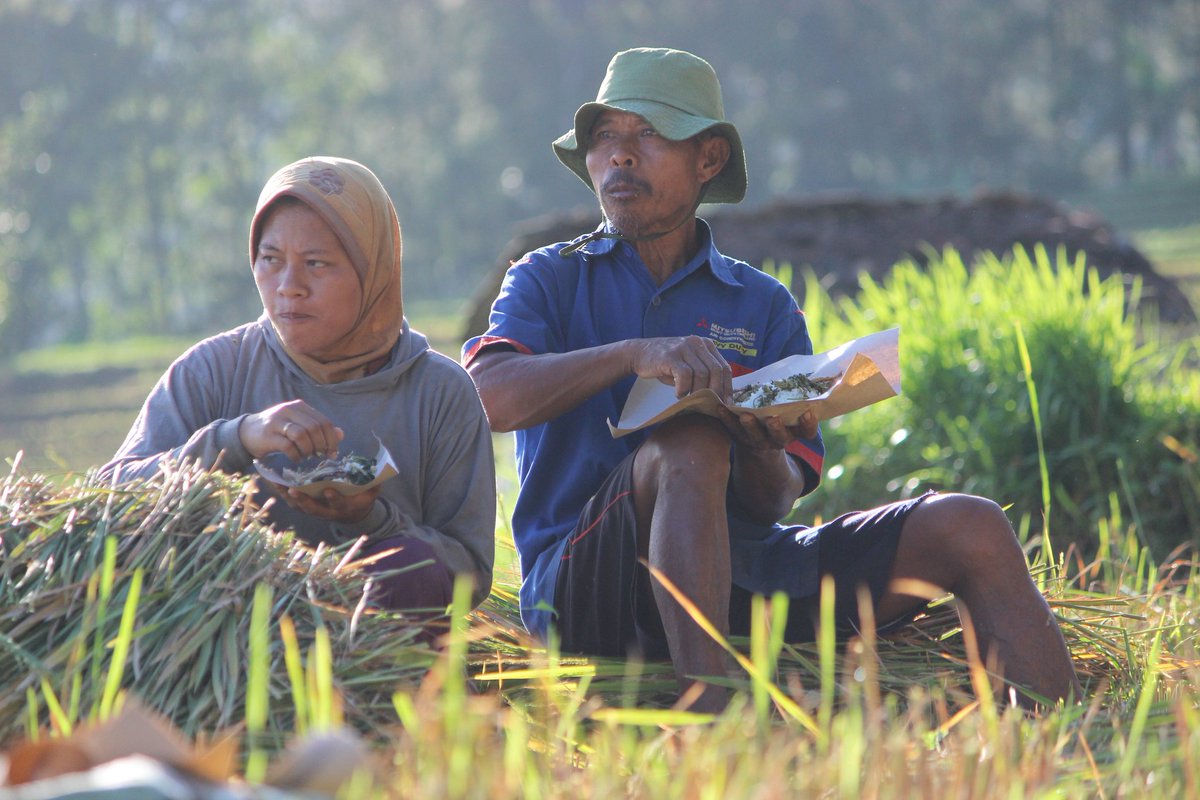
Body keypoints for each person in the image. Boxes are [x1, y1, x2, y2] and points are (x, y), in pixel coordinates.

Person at [463, 47, 1081, 711]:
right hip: (589, 597)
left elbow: (775, 501)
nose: (620, 155)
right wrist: (634, 354)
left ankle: (1070, 736)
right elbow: (489, 397)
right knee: (688, 444)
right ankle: (715, 709)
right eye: (605, 137)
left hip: (740, 578)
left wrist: (760, 447)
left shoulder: (762, 305)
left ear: (709, 159)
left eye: (648, 134)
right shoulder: (548, 276)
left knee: (971, 523)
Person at [101, 156, 495, 612]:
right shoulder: (213, 370)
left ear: (373, 272)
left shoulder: (440, 393)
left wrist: (371, 519)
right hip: (229, 627)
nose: (289, 286)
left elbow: (468, 567)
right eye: (271, 260)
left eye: (316, 263)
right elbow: (112, 496)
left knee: (411, 567)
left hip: (376, 647)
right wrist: (236, 438)